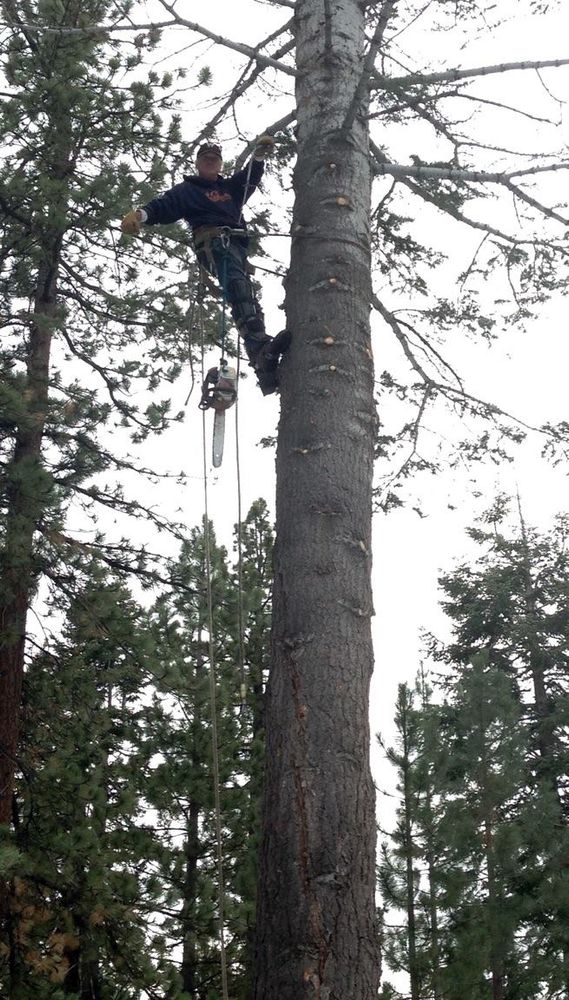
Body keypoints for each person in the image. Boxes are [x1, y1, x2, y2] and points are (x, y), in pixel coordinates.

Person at [120, 136, 290, 395]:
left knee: (243, 293)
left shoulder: (231, 188)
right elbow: (163, 207)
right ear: (198, 163)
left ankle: (262, 362)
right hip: (213, 243)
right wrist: (139, 216)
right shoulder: (188, 190)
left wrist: (258, 157)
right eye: (206, 159)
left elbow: (249, 179)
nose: (210, 163)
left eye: (214, 160)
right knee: (237, 286)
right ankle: (259, 348)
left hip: (234, 244)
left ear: (220, 164)